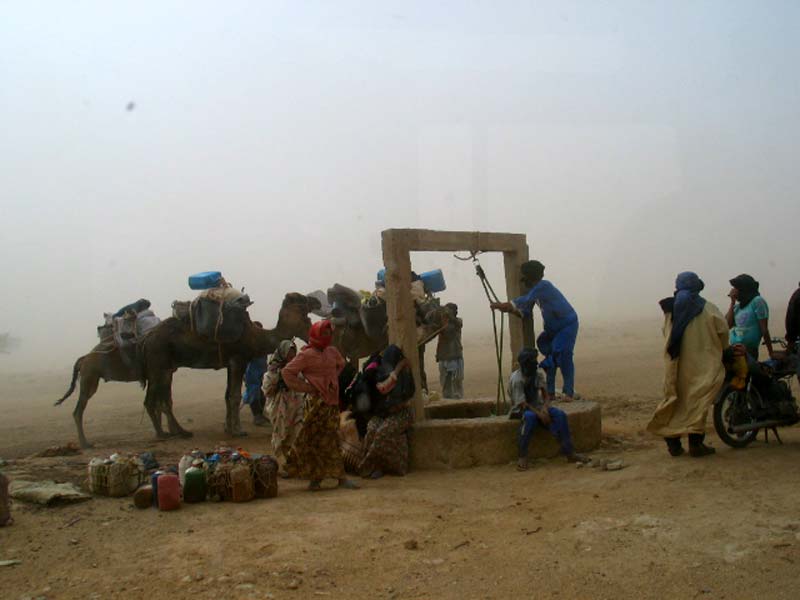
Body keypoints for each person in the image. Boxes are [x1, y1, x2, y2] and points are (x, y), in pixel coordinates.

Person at [647, 272, 729, 457]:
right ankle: (695, 445)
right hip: (702, 365)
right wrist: (723, 350)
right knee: (697, 403)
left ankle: (673, 443)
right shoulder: (708, 309)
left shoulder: (671, 310)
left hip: (675, 365)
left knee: (674, 400)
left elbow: (665, 334)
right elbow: (723, 332)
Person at [282, 320, 359, 491]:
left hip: (331, 403)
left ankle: (339, 477)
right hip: (316, 404)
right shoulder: (305, 355)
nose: (328, 336)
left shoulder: (332, 351)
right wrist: (309, 387)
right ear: (316, 334)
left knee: (332, 438)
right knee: (312, 439)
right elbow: (287, 372)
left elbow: (342, 364)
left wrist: (333, 380)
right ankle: (316, 478)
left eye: (329, 333)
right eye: (324, 333)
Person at [491, 260, 579, 400]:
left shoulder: (544, 286)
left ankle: (568, 392)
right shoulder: (536, 293)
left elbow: (524, 300)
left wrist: (506, 304)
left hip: (566, 326)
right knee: (547, 351)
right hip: (552, 330)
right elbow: (524, 311)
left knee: (562, 354)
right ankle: (550, 392)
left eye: (525, 279)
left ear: (531, 278)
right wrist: (509, 309)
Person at [508, 347, 587, 471]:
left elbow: (546, 395)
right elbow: (522, 404)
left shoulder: (537, 374)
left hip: (538, 407)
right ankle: (522, 456)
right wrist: (540, 414)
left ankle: (570, 453)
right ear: (526, 364)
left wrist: (545, 408)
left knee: (560, 415)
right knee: (529, 418)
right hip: (521, 410)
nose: (536, 363)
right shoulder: (517, 379)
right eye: (533, 361)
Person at [357, 345, 415, 479]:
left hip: (401, 413)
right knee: (371, 429)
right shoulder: (378, 374)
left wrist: (395, 375)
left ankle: (368, 465)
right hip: (382, 413)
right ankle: (376, 466)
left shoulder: (404, 375)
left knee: (382, 433)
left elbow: (408, 395)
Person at [262, 340, 303, 469]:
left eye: (293, 354)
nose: (291, 357)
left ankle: (292, 462)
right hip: (279, 406)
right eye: (289, 354)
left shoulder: (297, 369)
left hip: (295, 404)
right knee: (281, 433)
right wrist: (280, 379)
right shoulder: (272, 372)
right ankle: (282, 463)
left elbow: (301, 383)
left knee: (297, 432)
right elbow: (267, 390)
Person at [726, 274, 773, 359]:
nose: (734, 290)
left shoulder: (757, 302)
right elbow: (728, 325)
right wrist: (732, 302)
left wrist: (771, 352)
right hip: (735, 350)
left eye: (736, 288)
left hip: (749, 351)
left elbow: (764, 330)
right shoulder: (736, 307)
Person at [436, 303, 464, 399]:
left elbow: (455, 325)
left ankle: (458, 403)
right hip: (443, 358)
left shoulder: (457, 322)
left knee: (456, 384)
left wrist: (448, 315)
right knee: (445, 385)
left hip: (454, 357)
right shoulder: (441, 323)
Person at [785, 281, 800, 349]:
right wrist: (791, 339)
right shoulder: (797, 296)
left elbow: (790, 318)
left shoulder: (796, 294)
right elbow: (791, 319)